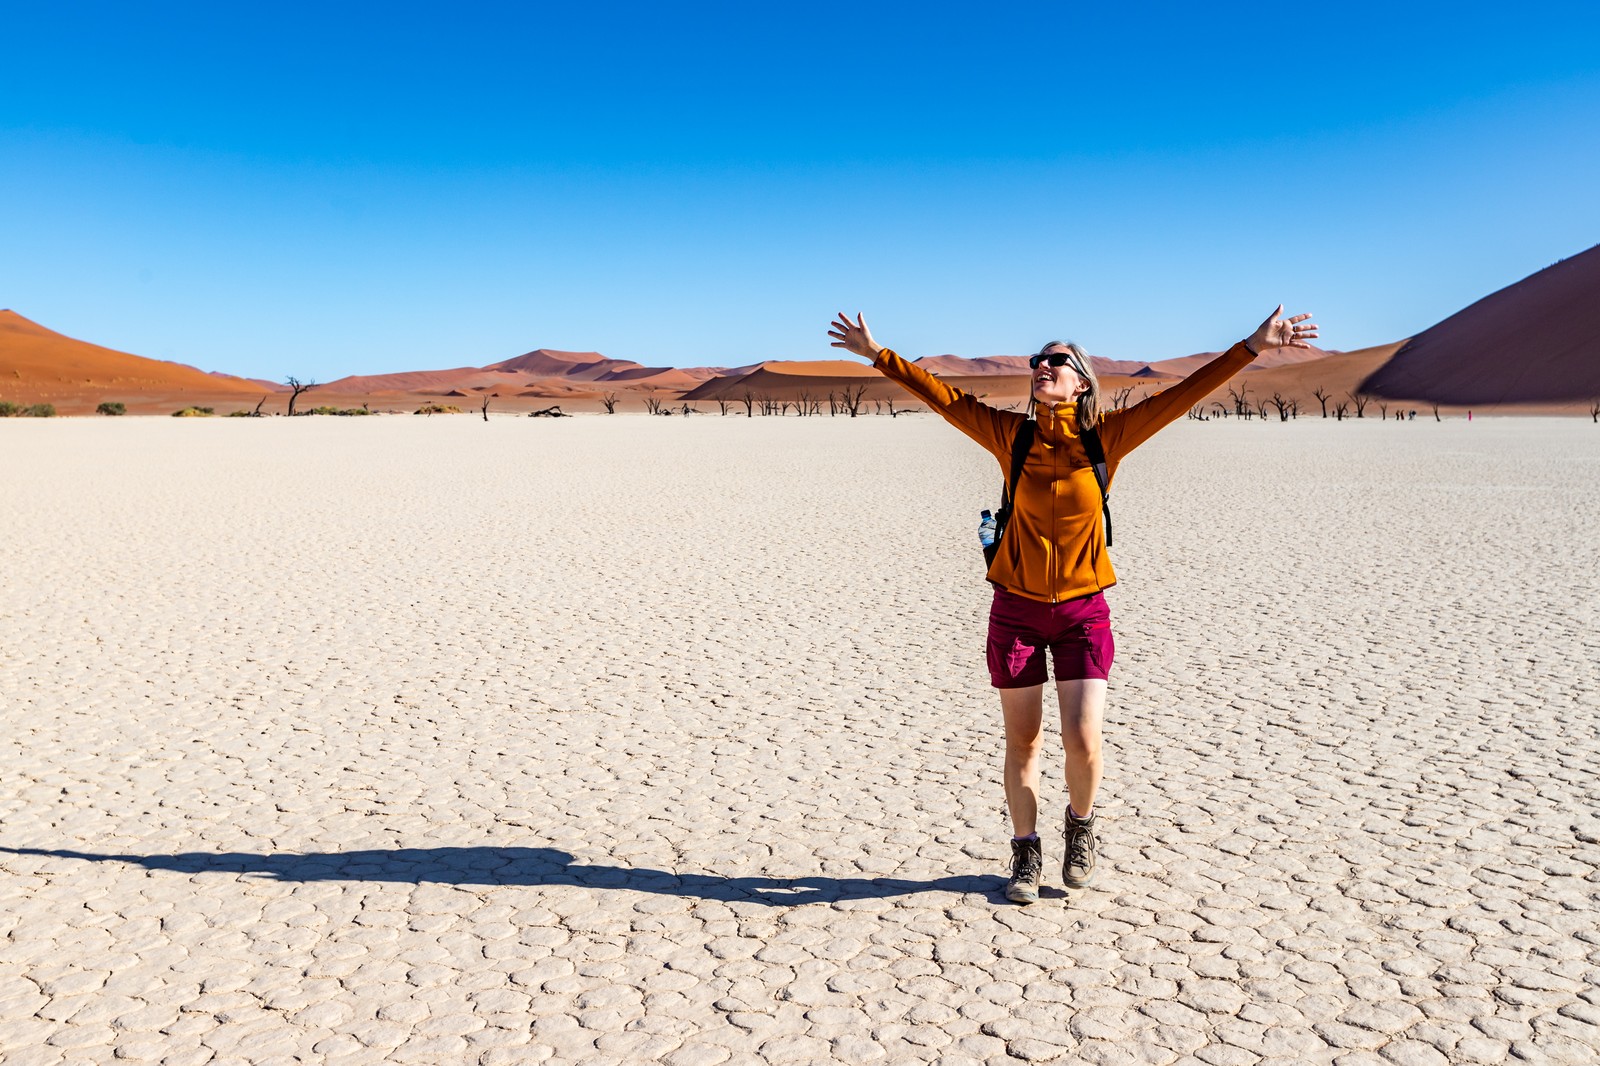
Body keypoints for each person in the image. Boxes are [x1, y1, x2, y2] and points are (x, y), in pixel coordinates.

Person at [827, 307, 1318, 904]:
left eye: (1055, 361)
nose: (1042, 367)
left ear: (1081, 379)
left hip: (1084, 612)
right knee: (1024, 742)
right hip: (1017, 613)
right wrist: (879, 354)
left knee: (1084, 741)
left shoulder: (1106, 437)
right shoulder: (1013, 436)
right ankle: (1025, 852)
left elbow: (1185, 394)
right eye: (1037, 361)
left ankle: (1080, 829)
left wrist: (1250, 347)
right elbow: (944, 397)